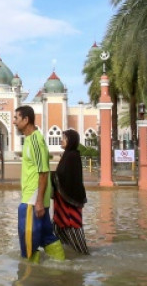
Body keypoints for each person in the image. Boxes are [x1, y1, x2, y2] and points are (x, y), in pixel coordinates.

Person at [13, 105, 65, 263]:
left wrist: (39, 201)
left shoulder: (36, 140)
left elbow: (43, 172)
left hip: (32, 199)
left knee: (27, 240)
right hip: (35, 197)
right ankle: (61, 267)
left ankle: (28, 275)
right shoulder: (29, 139)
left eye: (16, 118)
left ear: (26, 119)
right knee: (46, 236)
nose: (14, 122)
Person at [52, 129, 89, 254]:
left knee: (73, 228)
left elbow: (67, 177)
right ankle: (67, 254)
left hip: (70, 202)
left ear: (70, 141)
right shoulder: (68, 155)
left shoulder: (72, 156)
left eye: (64, 138)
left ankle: (83, 255)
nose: (61, 140)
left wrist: (51, 177)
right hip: (63, 203)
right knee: (59, 229)